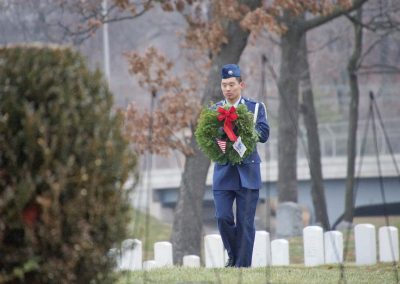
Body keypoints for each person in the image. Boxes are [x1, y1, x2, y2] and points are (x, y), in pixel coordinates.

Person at [212, 64, 269, 268]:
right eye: (224, 85)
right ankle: (233, 255)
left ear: (241, 84)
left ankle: (242, 266)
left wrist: (245, 129)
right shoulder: (215, 110)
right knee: (222, 217)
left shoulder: (255, 108)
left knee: (245, 222)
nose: (227, 89)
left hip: (248, 171)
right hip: (224, 172)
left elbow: (264, 134)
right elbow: (208, 139)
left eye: (232, 84)